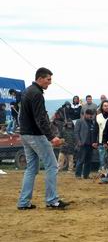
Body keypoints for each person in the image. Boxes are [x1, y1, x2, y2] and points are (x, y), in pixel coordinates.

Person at [17, 67, 69, 210]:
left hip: (25, 134)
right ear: (40, 78)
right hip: (35, 135)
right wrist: (52, 137)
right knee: (52, 166)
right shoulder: (37, 94)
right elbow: (40, 118)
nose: (50, 82)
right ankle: (52, 200)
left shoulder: (27, 91)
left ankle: (23, 203)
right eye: (48, 79)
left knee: (31, 168)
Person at [74, 109, 99, 179]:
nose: (90, 116)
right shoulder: (79, 121)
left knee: (88, 161)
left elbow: (95, 133)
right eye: (88, 114)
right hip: (82, 144)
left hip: (91, 145)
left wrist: (95, 142)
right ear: (85, 114)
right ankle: (78, 175)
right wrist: (79, 142)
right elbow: (76, 132)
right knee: (80, 160)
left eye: (91, 115)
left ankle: (86, 175)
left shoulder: (93, 122)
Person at [96, 100, 108, 183]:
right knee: (102, 160)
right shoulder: (98, 116)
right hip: (100, 141)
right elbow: (96, 129)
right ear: (102, 107)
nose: (106, 107)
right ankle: (103, 175)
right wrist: (94, 141)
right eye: (105, 105)